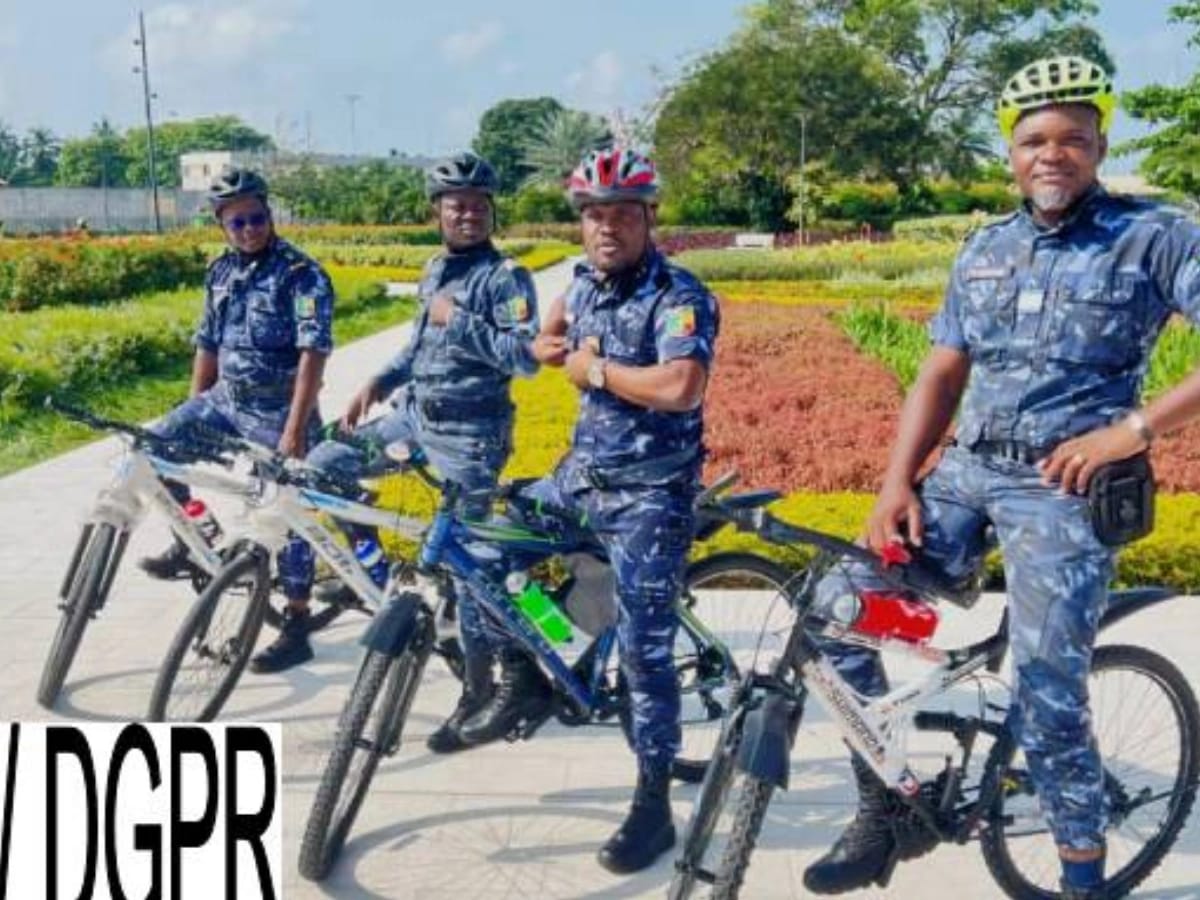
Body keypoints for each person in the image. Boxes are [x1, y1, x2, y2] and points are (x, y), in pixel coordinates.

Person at [802, 55, 1200, 900]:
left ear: (1098, 144)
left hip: (1062, 493)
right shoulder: (986, 246)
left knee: (1048, 693)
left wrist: (1129, 432)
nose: (1052, 154)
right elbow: (942, 371)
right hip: (964, 476)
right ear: (1010, 152)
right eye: (1034, 141)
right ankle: (884, 812)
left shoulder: (1155, 236)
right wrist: (895, 482)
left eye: (1072, 139)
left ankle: (1083, 877)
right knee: (834, 613)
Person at [455, 146, 721, 874]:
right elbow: (550, 334)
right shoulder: (582, 282)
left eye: (623, 215)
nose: (607, 228)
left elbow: (680, 387)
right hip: (579, 480)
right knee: (483, 550)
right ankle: (527, 677)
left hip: (649, 496)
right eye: (595, 215)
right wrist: (552, 345)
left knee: (643, 652)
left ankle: (652, 803)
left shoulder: (680, 294)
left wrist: (595, 368)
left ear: (648, 218)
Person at [248, 153, 545, 762]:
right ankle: (374, 570)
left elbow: (525, 358)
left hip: (470, 435)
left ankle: (482, 689)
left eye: (478, 204)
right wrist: (376, 384)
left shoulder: (506, 277)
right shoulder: (435, 266)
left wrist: (457, 318)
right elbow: (417, 344)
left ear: (491, 211)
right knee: (323, 465)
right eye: (455, 204)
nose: (467, 213)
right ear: (435, 210)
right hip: (412, 416)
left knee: (472, 567)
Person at [139, 167, 332, 596]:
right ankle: (192, 539)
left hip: (278, 409)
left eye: (257, 219)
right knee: (152, 450)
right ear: (222, 225)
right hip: (225, 401)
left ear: (270, 215)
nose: (249, 230)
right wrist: (192, 408)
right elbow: (207, 343)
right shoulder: (220, 272)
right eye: (237, 223)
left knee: (287, 511)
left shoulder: (302, 275)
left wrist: (294, 430)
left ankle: (297, 618)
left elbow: (313, 353)